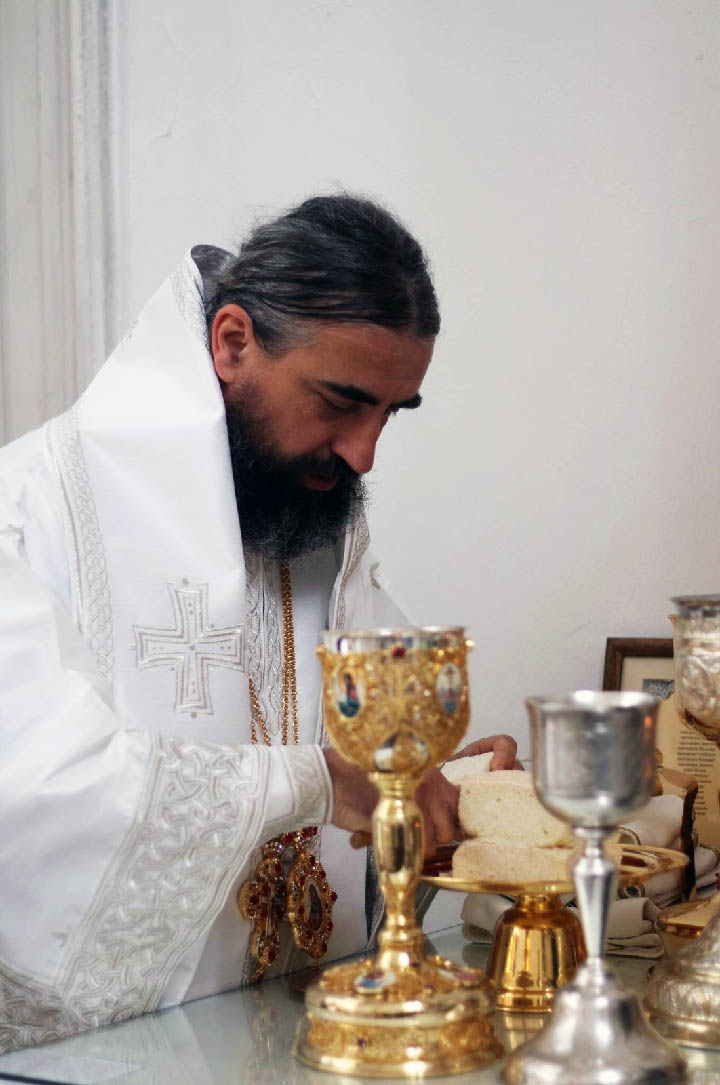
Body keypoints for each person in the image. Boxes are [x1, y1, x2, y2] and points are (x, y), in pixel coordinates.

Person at [0, 194, 518, 1053]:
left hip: (305, 1040)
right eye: (342, 401)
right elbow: (32, 793)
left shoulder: (301, 517)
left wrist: (440, 783)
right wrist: (319, 783)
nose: (364, 453)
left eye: (389, 413)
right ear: (233, 342)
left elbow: (373, 747)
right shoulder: (29, 511)